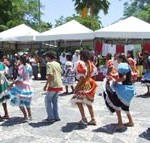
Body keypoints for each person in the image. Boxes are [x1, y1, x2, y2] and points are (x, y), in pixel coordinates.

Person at [103, 53, 135, 131]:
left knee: (116, 103)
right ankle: (130, 121)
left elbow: (123, 78)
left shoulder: (122, 65)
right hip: (129, 88)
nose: (116, 60)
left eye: (117, 58)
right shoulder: (126, 65)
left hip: (125, 89)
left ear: (120, 59)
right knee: (125, 106)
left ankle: (120, 123)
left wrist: (116, 82)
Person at [71, 50, 97, 125]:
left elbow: (82, 77)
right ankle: (92, 119)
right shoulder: (91, 63)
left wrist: (76, 87)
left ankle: (84, 118)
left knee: (78, 101)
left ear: (82, 56)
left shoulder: (82, 64)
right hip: (88, 84)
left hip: (83, 84)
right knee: (88, 102)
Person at [8, 55, 33, 120]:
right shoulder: (29, 66)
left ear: (21, 60)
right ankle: (30, 115)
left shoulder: (21, 67)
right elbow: (30, 75)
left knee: (20, 102)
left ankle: (25, 116)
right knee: (27, 101)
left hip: (21, 86)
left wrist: (12, 83)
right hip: (28, 86)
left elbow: (20, 77)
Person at [43, 51, 63, 123]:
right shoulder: (57, 63)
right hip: (59, 83)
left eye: (46, 57)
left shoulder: (49, 64)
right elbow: (60, 72)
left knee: (47, 100)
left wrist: (46, 85)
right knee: (55, 101)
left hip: (53, 84)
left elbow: (50, 75)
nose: (45, 58)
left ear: (48, 57)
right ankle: (56, 116)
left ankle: (50, 117)